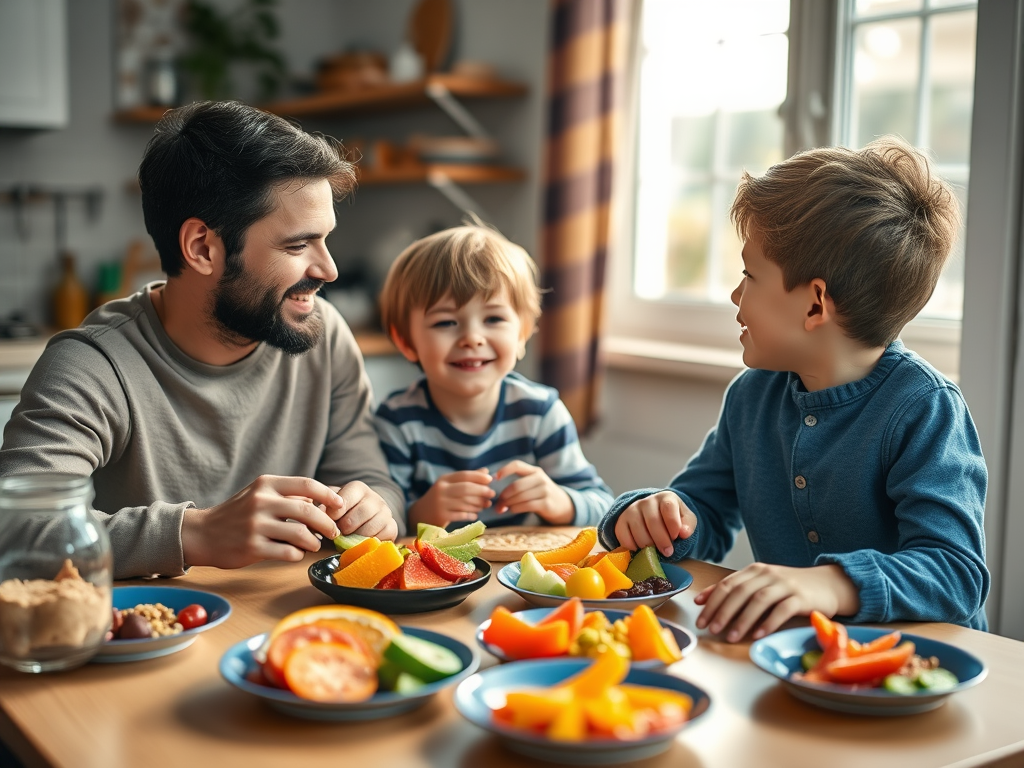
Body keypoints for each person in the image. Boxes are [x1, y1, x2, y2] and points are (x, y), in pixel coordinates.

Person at [598, 136, 989, 639]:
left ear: (814, 305)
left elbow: (955, 575)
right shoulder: (752, 396)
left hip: (917, 666)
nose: (735, 295)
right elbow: (705, 514)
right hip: (799, 658)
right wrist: (655, 513)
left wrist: (828, 585)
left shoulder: (925, 410)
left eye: (749, 274)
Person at [0, 101, 404, 579]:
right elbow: (17, 529)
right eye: (298, 245)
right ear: (202, 248)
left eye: (326, 239)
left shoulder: (325, 335)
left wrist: (375, 506)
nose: (329, 270)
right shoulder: (92, 365)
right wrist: (197, 533)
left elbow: (376, 480)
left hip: (285, 624)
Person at [374, 224, 613, 531]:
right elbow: (383, 522)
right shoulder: (397, 421)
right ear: (406, 341)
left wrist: (560, 501)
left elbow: (604, 506)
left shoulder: (540, 412)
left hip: (517, 574)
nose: (472, 338)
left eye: (494, 319)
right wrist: (422, 511)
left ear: (522, 334)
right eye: (446, 322)